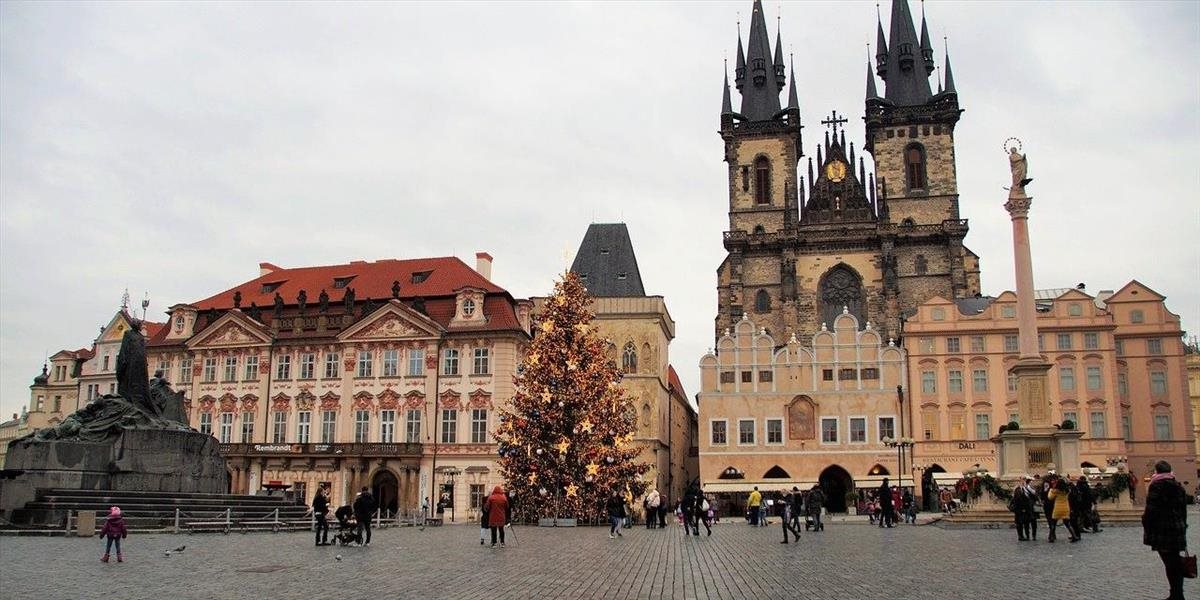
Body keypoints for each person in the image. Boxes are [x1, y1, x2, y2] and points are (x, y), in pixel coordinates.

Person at [1142, 460, 1188, 600]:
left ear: (1157, 471)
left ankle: (1176, 594)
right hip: (1177, 528)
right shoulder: (1178, 486)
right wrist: (1183, 525)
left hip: (1163, 530)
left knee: (1170, 563)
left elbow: (1151, 509)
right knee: (1174, 561)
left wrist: (1146, 523)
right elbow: (1183, 510)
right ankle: (1177, 593)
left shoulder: (1156, 486)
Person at [1046, 478, 1078, 543]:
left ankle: (1051, 537)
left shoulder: (1055, 491)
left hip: (1057, 508)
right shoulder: (1067, 490)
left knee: (1053, 523)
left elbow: (1050, 497)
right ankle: (1074, 536)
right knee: (1067, 524)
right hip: (1066, 507)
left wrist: (1051, 490)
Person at [1011, 476, 1037, 541]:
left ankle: (1027, 535)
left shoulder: (1027, 488)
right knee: (1019, 523)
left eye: (1024, 480)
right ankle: (1020, 536)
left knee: (1026, 522)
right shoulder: (1017, 489)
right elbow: (1016, 498)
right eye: (1022, 480)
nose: (1023, 481)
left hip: (1027, 508)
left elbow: (1034, 495)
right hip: (1019, 509)